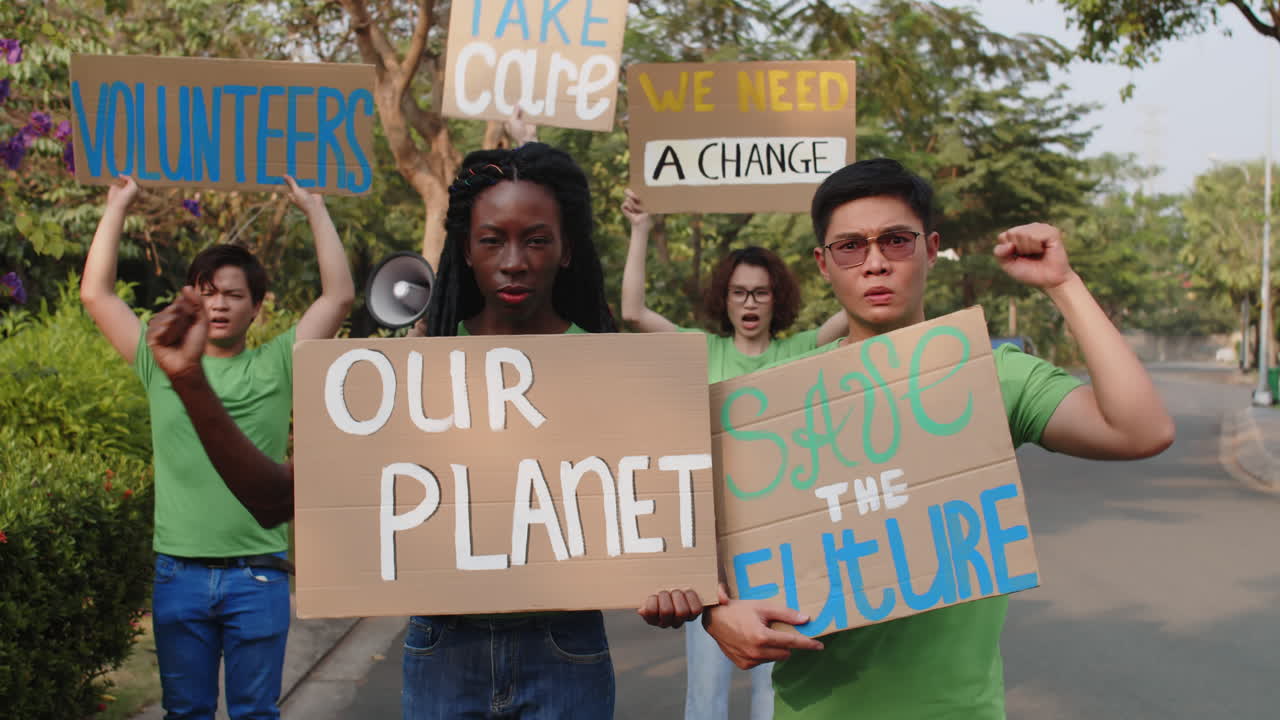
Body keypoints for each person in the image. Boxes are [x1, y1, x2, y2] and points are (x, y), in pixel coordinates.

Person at [145, 143, 702, 719]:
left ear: (565, 251)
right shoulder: (408, 372)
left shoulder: (615, 370)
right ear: (466, 249)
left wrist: (672, 582)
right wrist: (189, 379)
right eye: (492, 240)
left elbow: (659, 519)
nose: (513, 260)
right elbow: (271, 501)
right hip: (443, 652)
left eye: (536, 239)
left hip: (569, 650)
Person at [700, 158, 1176, 720]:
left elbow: (1141, 429)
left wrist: (1062, 284)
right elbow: (707, 544)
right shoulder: (773, 403)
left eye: (895, 241)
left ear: (930, 249)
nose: (875, 263)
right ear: (824, 265)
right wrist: (714, 612)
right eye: (850, 247)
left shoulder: (992, 374)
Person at [80, 174, 355, 720]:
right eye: (207, 294)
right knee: (186, 713)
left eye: (234, 295)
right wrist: (118, 205)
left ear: (257, 307)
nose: (220, 306)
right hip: (177, 574)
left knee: (256, 713)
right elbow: (96, 293)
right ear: (191, 301)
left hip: (257, 575)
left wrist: (315, 207)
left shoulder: (278, 362)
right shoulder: (159, 361)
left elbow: (339, 295)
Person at [619, 191, 845, 720]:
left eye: (761, 293)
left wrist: (841, 233)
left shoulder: (802, 351)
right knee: (706, 694)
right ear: (725, 298)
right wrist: (641, 229)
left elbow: (860, 302)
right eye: (740, 292)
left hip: (787, 549)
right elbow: (632, 311)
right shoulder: (703, 350)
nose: (749, 303)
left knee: (776, 692)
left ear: (776, 299)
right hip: (715, 556)